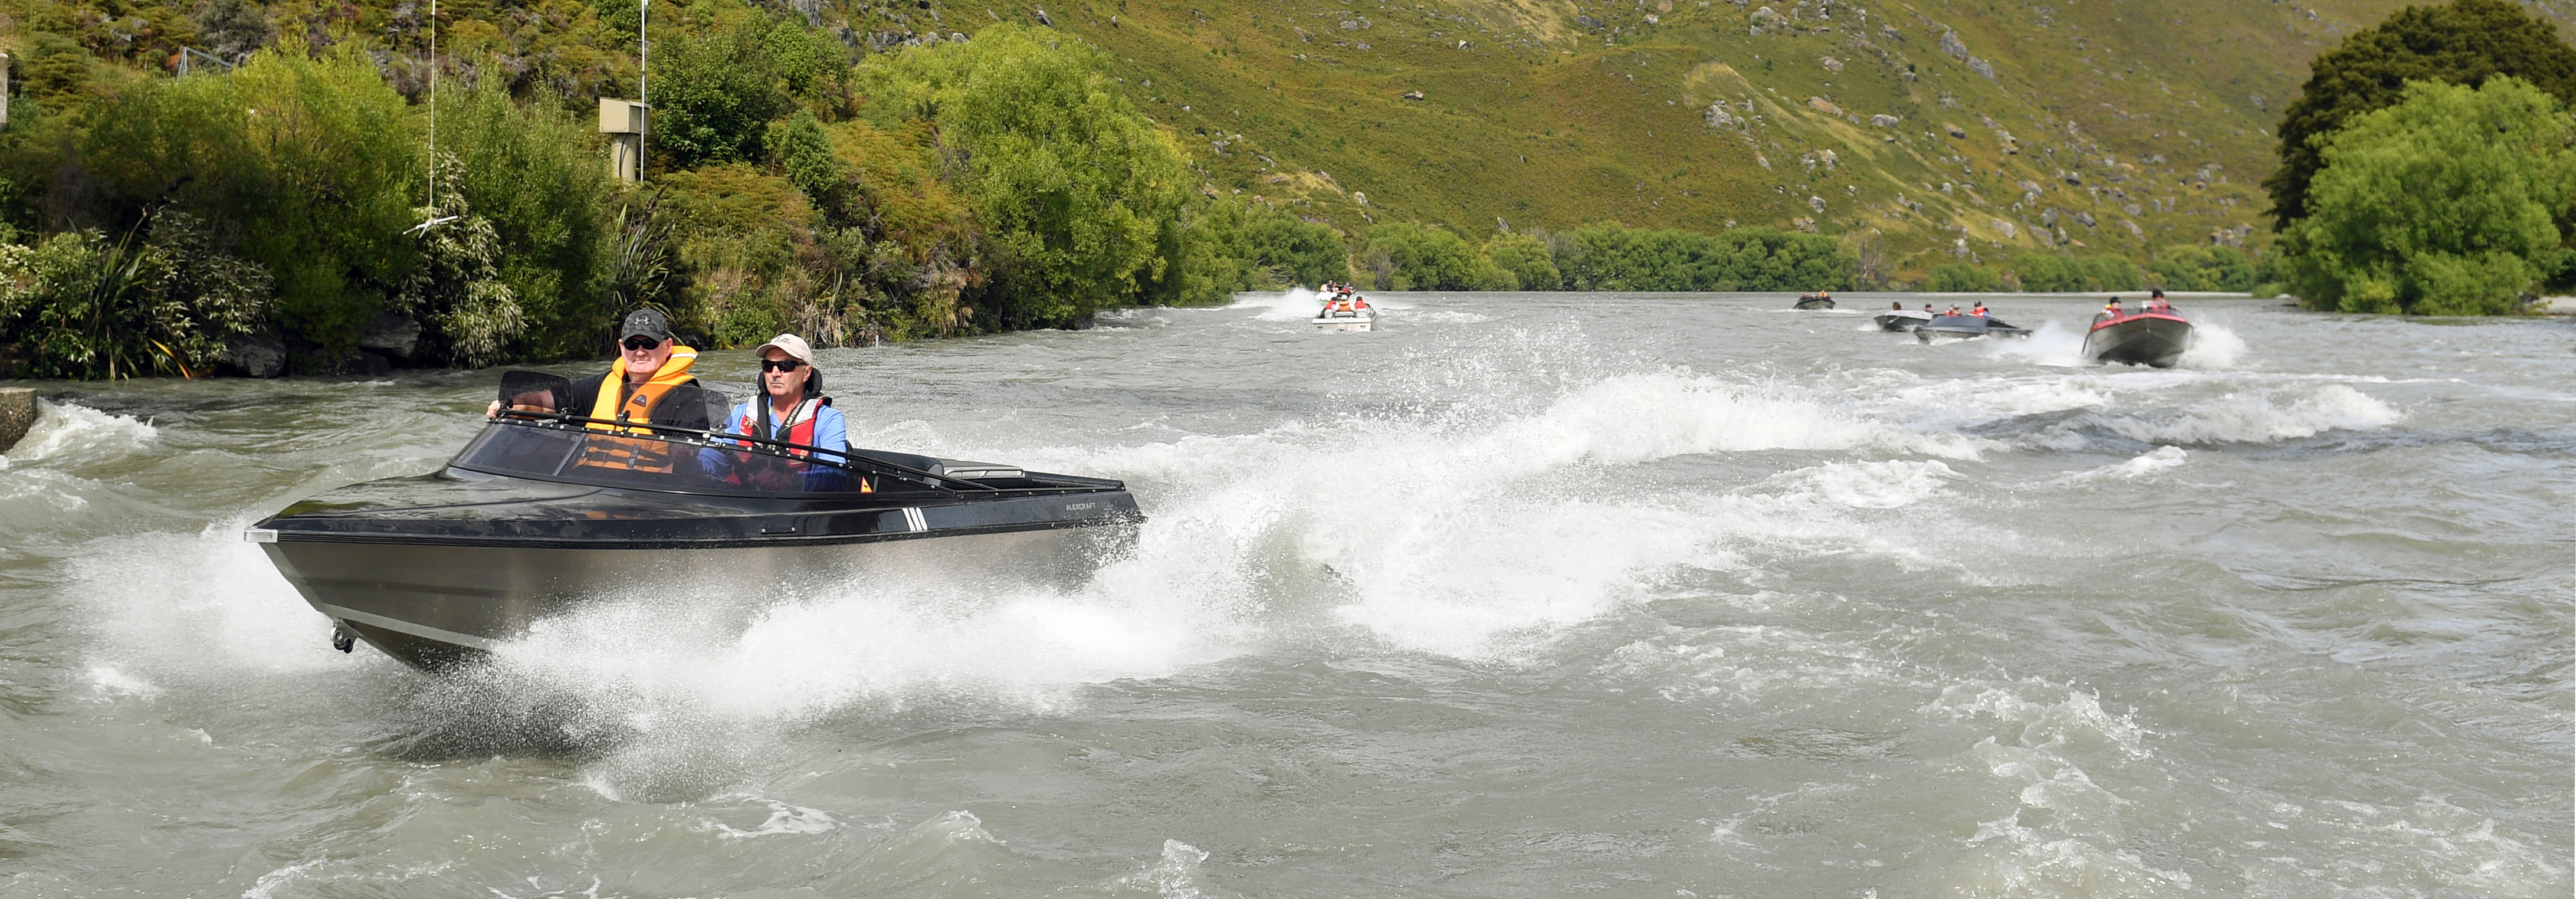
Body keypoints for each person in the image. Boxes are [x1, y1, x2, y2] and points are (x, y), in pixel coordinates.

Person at [705, 334, 853, 493]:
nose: (775, 373)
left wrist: (789, 481)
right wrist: (690, 462)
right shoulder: (741, 413)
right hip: (743, 505)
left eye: (786, 366)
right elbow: (712, 457)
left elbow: (835, 475)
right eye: (768, 366)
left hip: (797, 508)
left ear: (806, 373)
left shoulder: (829, 419)